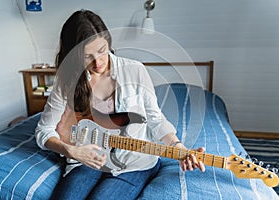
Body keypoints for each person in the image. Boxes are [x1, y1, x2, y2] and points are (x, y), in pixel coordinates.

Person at [35, 10, 205, 200]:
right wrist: (72, 151)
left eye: (102, 51)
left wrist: (177, 146)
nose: (98, 62)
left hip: (133, 163)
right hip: (86, 160)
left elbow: (155, 119)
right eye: (87, 56)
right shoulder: (67, 80)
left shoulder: (135, 70)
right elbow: (44, 130)